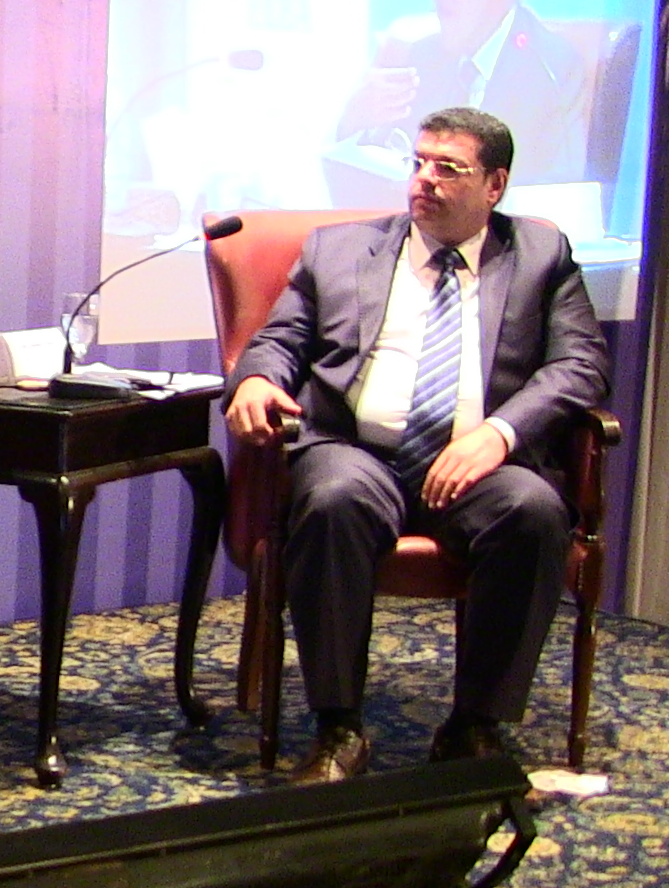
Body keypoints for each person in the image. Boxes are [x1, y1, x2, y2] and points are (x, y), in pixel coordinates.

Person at [226, 106, 609, 783]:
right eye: (419, 163)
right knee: (333, 499)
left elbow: (580, 364)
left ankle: (474, 727)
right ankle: (338, 728)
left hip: (480, 463)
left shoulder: (541, 256)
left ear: (495, 185)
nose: (424, 180)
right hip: (358, 449)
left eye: (448, 168)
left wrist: (499, 433)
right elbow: (281, 339)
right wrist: (257, 379)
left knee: (534, 512)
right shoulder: (340, 249)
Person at [336, 0, 588, 187]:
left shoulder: (553, 70)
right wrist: (356, 119)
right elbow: (384, 164)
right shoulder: (422, 58)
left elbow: (558, 189)